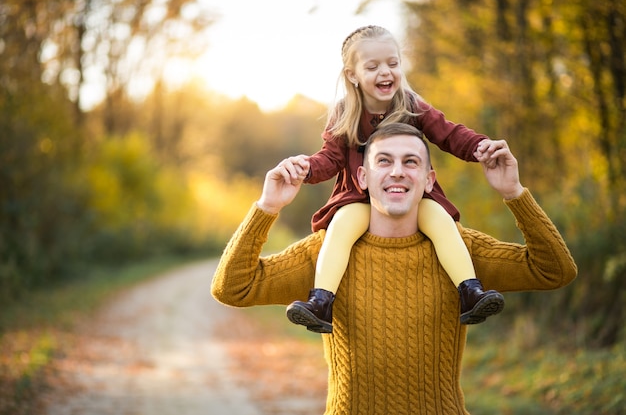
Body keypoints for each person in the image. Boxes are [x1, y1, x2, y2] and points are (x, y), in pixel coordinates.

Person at [211, 122, 577, 415]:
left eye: (411, 162)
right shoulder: (325, 256)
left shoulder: (460, 251)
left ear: (429, 180)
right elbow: (233, 288)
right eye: (384, 161)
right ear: (363, 179)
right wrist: (267, 207)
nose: (397, 172)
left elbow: (554, 270)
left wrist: (514, 193)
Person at [284, 25, 504, 333]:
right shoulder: (346, 112)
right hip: (359, 196)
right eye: (372, 66)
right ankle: (321, 302)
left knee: (440, 219)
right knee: (341, 226)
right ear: (352, 75)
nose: (385, 72)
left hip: (408, 196)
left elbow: (449, 134)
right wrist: (305, 168)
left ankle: (470, 292)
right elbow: (330, 158)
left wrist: (480, 146)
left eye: (393, 63)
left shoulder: (412, 105)